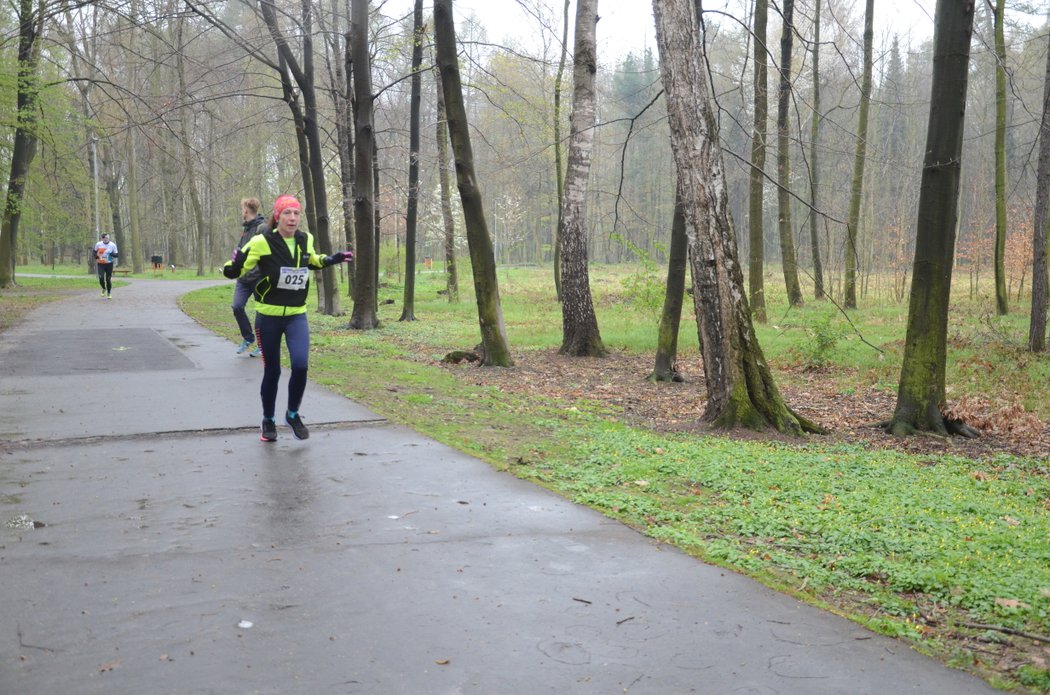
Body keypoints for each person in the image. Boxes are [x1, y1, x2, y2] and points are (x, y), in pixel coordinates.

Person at [222, 195, 352, 442]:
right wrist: (235, 263)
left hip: (296, 316)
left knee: (301, 366)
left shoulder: (305, 239)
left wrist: (331, 259)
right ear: (277, 216)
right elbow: (234, 270)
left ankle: (292, 414)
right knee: (272, 371)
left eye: (296, 213)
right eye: (287, 213)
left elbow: (312, 260)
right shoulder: (262, 241)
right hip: (268, 318)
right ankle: (268, 420)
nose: (292, 218)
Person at [231, 198, 268, 356]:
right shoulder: (246, 229)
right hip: (243, 278)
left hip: (258, 278)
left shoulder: (263, 227)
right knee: (237, 306)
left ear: (246, 210)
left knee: (261, 313)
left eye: (242, 208)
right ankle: (248, 338)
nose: (242, 211)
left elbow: (266, 254)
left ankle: (263, 345)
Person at [94, 233, 119, 298]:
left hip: (109, 264)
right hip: (101, 264)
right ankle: (103, 288)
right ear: (102, 239)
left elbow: (116, 255)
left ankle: (109, 293)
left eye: (107, 238)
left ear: (108, 238)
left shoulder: (112, 245)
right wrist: (97, 256)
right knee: (101, 277)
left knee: (108, 279)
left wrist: (111, 253)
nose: (106, 240)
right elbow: (94, 251)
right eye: (104, 239)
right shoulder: (98, 244)